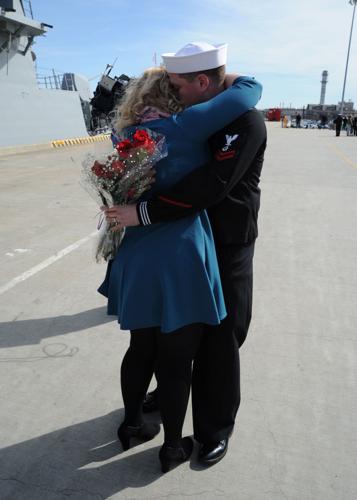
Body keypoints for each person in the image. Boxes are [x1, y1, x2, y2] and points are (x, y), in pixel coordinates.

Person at [100, 42, 262, 472]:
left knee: (216, 340)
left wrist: (136, 213)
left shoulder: (241, 122)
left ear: (201, 81)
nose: (177, 93)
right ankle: (168, 426)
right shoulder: (187, 123)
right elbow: (247, 89)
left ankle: (209, 429)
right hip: (184, 244)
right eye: (171, 87)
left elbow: (213, 187)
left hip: (217, 243)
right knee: (173, 344)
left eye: (180, 85)